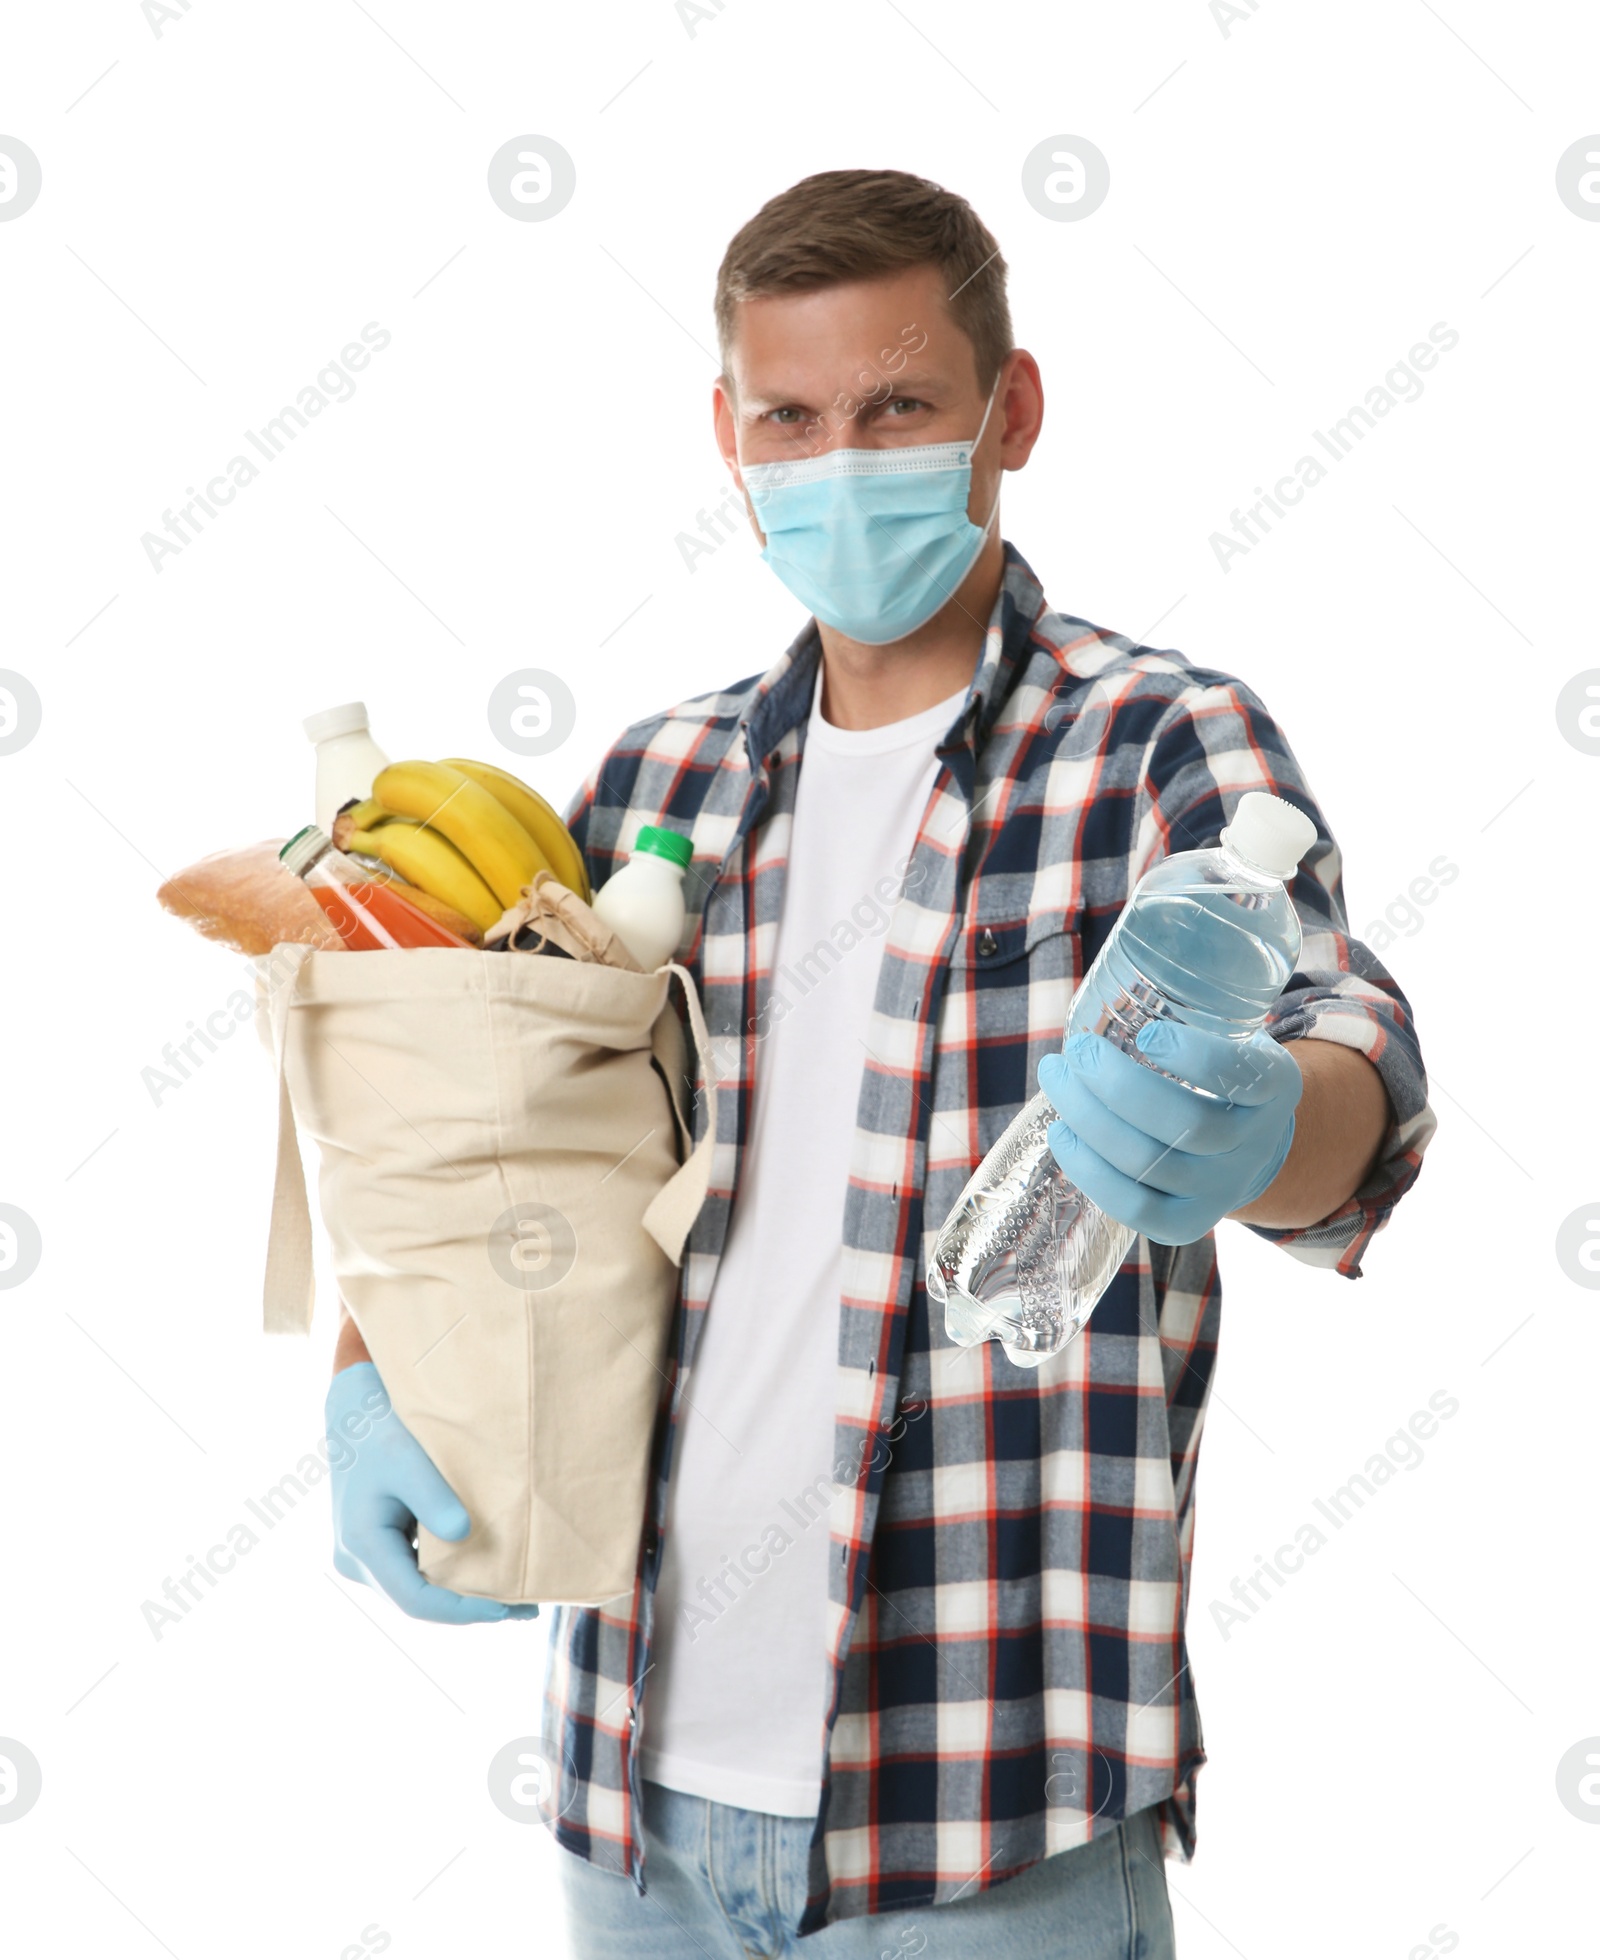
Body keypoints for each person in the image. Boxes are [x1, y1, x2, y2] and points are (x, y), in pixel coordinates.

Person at [327, 169, 1436, 1956]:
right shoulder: (653, 791)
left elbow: (1351, 1069)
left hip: (990, 1823)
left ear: (1013, 411)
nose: (841, 459)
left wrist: (1265, 1133)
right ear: (728, 432)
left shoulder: (1158, 740)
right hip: (633, 1801)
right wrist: (373, 1367)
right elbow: (498, 1135)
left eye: (900, 407)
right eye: (794, 416)